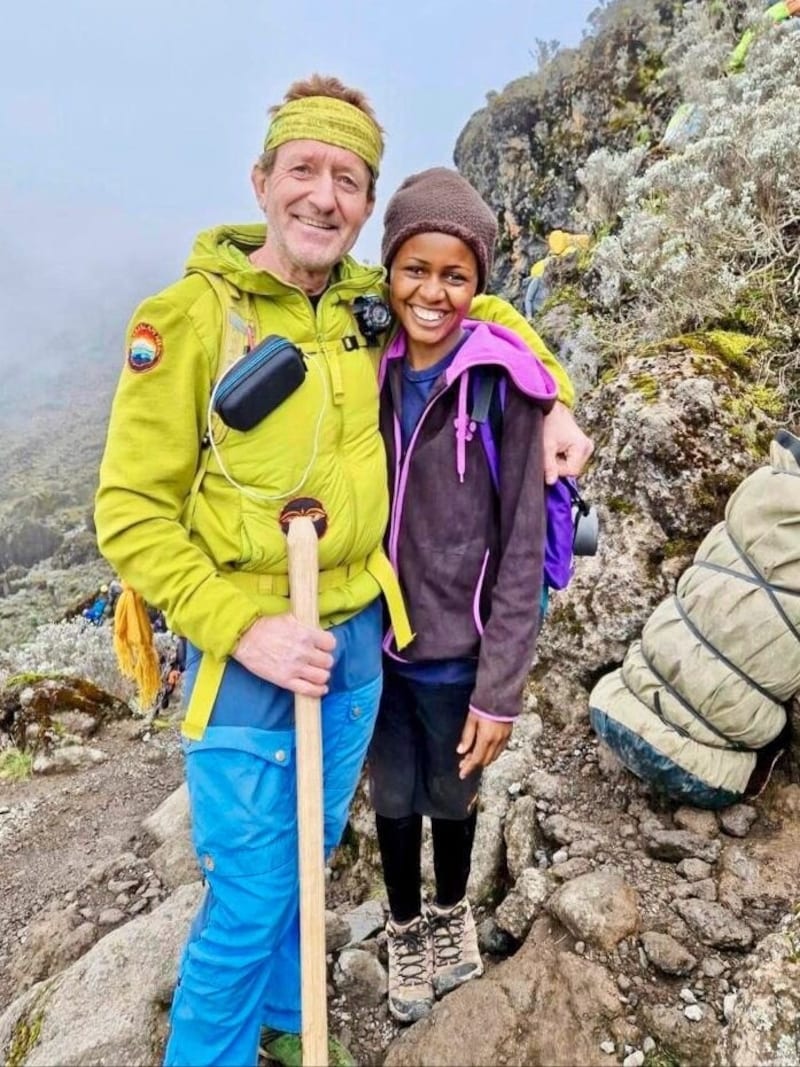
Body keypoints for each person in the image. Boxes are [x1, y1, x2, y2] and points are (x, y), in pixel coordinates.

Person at [95, 74, 590, 1067]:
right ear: (261, 179)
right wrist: (241, 625)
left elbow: (478, 305)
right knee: (249, 889)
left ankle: (287, 1022)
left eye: (347, 178)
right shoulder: (190, 319)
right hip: (248, 651)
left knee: (313, 851)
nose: (323, 195)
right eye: (304, 170)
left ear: (366, 206)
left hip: (360, 633)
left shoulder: (367, 302)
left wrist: (558, 398)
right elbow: (129, 512)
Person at [368, 168, 555, 1023]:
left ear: (479, 284)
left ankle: (451, 913)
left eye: (455, 274)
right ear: (389, 269)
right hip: (371, 649)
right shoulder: (362, 368)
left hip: (458, 654)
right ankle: (403, 924)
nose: (432, 292)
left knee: (455, 794)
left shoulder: (502, 385)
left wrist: (501, 688)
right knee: (393, 796)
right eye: (415, 268)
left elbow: (522, 544)